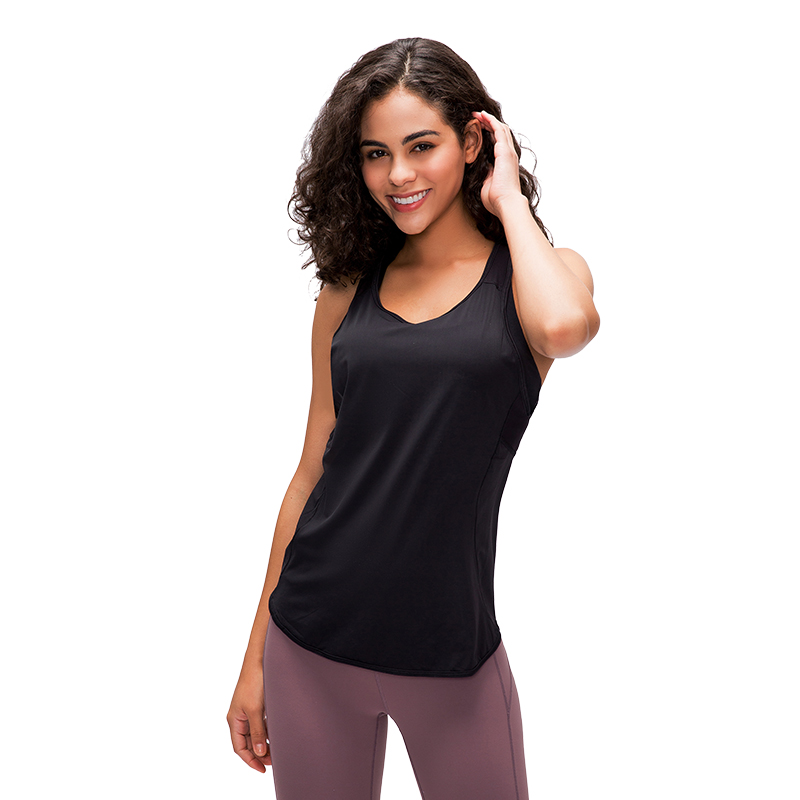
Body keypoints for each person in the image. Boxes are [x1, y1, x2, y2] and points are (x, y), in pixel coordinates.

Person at [226, 37, 600, 800]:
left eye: (422, 146)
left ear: (474, 143)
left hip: (450, 657)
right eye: (376, 153)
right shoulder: (348, 288)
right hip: (310, 641)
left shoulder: (539, 280)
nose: (397, 174)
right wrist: (255, 657)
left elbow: (565, 329)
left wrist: (508, 201)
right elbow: (311, 474)